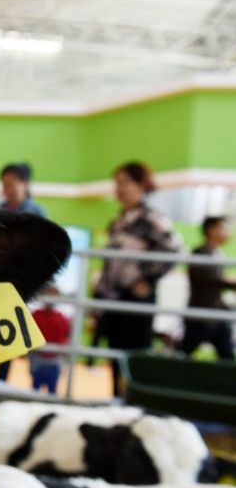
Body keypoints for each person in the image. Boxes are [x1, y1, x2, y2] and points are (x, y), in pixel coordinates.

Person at [95, 161, 181, 396]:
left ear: (141, 185)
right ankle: (116, 401)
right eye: (117, 183)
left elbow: (174, 250)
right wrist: (100, 295)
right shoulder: (118, 221)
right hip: (113, 298)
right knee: (114, 355)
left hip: (137, 297)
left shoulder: (151, 218)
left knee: (134, 356)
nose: (119, 188)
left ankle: (135, 404)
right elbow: (110, 263)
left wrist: (146, 279)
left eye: (125, 182)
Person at [0, 162, 47, 381]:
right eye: (3, 184)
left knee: (20, 333)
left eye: (10, 183)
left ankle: (32, 377)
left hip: (24, 283)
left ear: (25, 184)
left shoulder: (38, 213)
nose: (6, 189)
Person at [180, 216, 235, 360]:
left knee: (226, 353)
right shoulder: (201, 253)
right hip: (202, 313)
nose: (228, 232)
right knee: (185, 351)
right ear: (211, 230)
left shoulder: (217, 253)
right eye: (223, 228)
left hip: (214, 313)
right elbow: (209, 280)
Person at [29, 286, 71, 395]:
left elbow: (66, 337)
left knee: (52, 390)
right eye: (48, 295)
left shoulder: (62, 318)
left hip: (54, 360)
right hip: (39, 358)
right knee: (35, 389)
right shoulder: (36, 315)